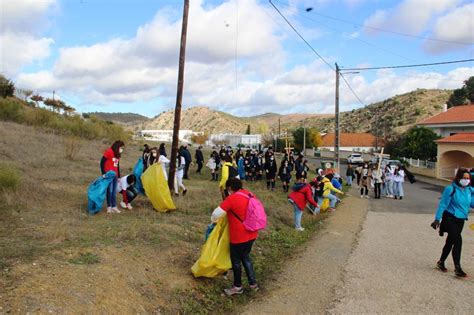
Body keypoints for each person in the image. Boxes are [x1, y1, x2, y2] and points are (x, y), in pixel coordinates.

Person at [211, 178, 259, 296]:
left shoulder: (232, 198)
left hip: (238, 236)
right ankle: (253, 284)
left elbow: (216, 214)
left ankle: (237, 287)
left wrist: (213, 221)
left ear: (230, 188)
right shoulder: (249, 194)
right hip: (252, 232)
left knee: (236, 261)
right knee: (246, 257)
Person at [431, 169, 473, 278]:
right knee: (458, 240)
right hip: (450, 218)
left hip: (461, 220)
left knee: (450, 241)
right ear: (458, 178)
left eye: (468, 178)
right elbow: (443, 204)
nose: (466, 180)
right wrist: (437, 219)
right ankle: (457, 268)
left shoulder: (469, 190)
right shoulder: (451, 189)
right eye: (464, 178)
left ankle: (440, 262)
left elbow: (471, 203)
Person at [100, 140, 125, 214]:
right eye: (121, 147)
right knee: (109, 191)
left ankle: (114, 207)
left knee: (114, 192)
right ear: (117, 146)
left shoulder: (117, 154)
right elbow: (102, 162)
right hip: (109, 175)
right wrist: (103, 173)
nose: (122, 149)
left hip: (115, 175)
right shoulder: (109, 151)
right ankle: (109, 207)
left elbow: (117, 166)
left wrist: (119, 177)